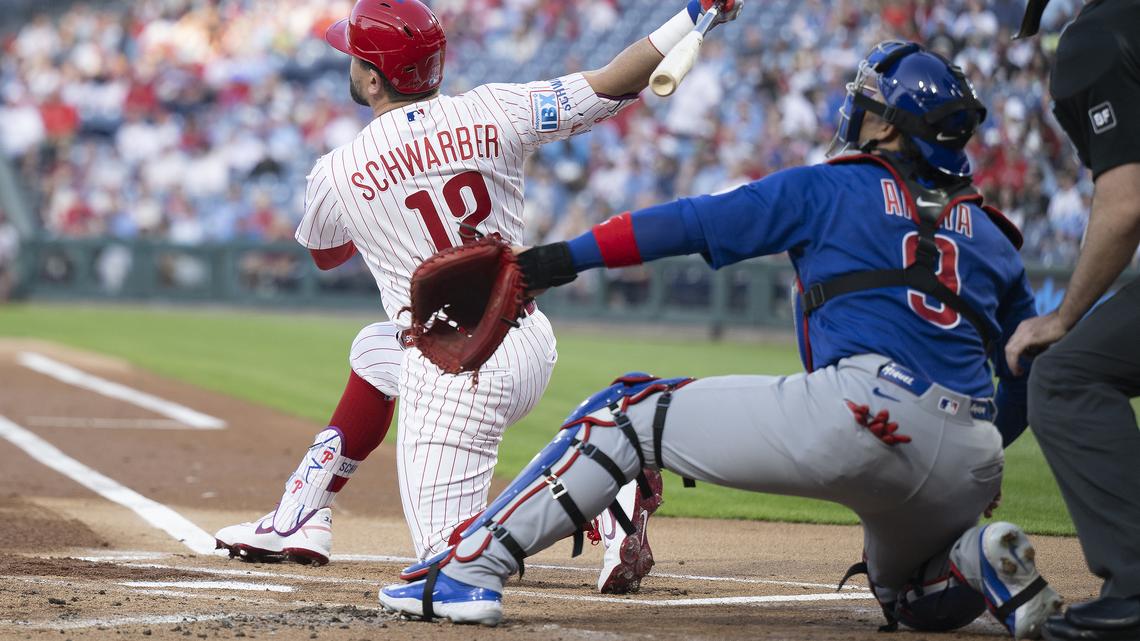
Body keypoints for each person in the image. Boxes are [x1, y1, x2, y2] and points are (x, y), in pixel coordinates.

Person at [377, 41, 1064, 637]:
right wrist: (972, 455)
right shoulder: (997, 237)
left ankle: (467, 571)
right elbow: (1028, 371)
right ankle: (978, 556)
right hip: (972, 455)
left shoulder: (833, 188)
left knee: (625, 412)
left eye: (871, 108)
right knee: (912, 594)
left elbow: (692, 223)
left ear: (889, 128)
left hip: (863, 413)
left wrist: (560, 259)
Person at [213, 0, 742, 595]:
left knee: (452, 567)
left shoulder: (335, 171)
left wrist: (387, 210)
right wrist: (694, 13)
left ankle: (606, 479)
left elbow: (325, 253)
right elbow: (611, 82)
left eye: (357, 57)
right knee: (373, 351)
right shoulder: (494, 109)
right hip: (527, 338)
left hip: (451, 371)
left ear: (373, 75)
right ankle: (301, 515)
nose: (352, 66)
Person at [1005, 1, 1140, 639]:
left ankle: (1136, 592)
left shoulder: (1098, 33)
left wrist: (1063, 315)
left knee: (1064, 379)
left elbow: (1125, 203)